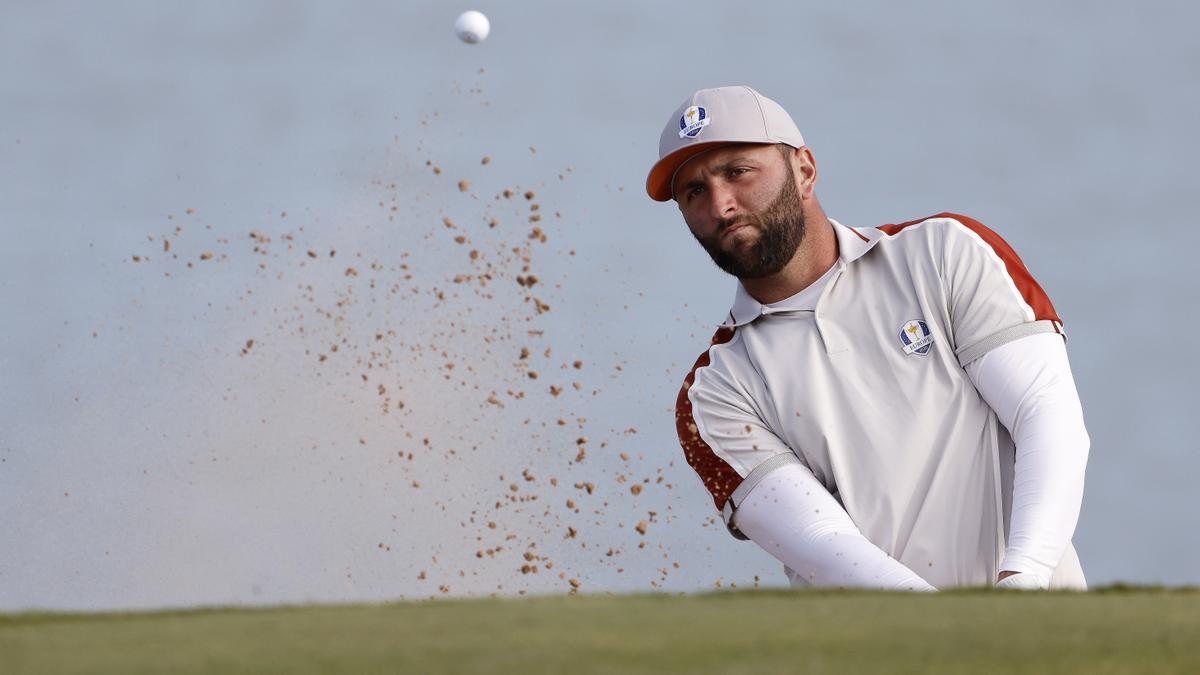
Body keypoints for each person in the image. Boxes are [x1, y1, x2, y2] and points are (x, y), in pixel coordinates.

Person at [647, 86, 1090, 590]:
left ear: (804, 171)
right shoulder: (713, 394)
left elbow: (1046, 415)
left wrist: (1024, 582)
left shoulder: (944, 252)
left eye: (738, 171)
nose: (721, 205)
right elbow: (822, 542)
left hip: (1049, 625)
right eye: (694, 192)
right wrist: (962, 633)